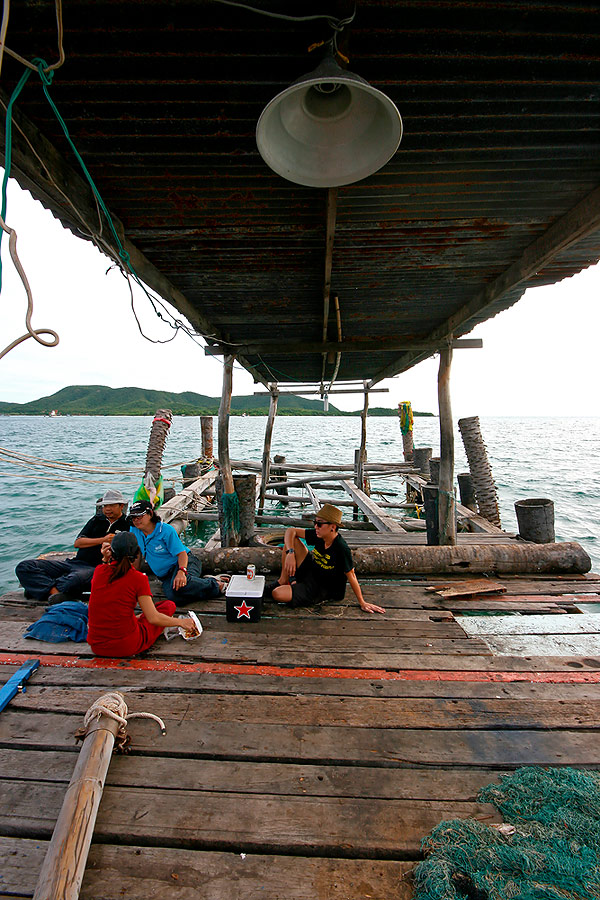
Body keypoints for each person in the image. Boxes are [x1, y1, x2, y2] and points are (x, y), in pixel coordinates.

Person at [87, 531, 195, 657]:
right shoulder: (138, 578)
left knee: (141, 615)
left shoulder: (99, 571)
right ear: (136, 554)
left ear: (111, 552)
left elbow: (109, 597)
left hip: (97, 646)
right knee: (168, 606)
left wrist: (105, 559)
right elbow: (153, 618)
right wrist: (181, 622)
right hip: (126, 646)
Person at [15, 489, 129, 602]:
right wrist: (102, 540)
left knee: (73, 580)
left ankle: (40, 588)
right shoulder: (96, 520)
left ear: (121, 506)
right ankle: (55, 593)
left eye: (111, 505)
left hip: (95, 568)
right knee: (24, 566)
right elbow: (78, 543)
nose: (107, 509)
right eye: (105, 506)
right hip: (75, 563)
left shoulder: (126, 524)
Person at [268, 503, 385, 614]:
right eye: (315, 522)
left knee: (277, 594)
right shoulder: (319, 535)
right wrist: (290, 553)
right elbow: (290, 531)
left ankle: (293, 583)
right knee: (291, 543)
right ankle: (283, 580)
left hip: (321, 589)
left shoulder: (341, 548)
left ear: (332, 527)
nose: (315, 527)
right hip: (312, 572)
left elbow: (351, 575)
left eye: (319, 524)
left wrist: (362, 602)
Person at [128, 500, 225, 601]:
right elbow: (137, 553)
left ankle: (217, 585)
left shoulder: (165, 530)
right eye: (133, 517)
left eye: (139, 516)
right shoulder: (134, 530)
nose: (136, 520)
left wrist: (181, 571)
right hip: (166, 575)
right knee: (174, 597)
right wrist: (133, 576)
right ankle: (200, 582)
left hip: (185, 562)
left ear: (150, 514)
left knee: (182, 586)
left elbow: (182, 554)